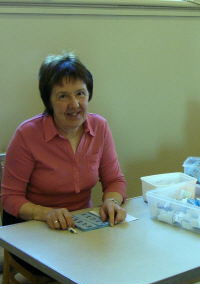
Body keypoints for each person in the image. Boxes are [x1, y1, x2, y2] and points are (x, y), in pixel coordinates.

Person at [1, 52, 127, 230]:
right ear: (49, 101)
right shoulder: (27, 134)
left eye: (80, 93)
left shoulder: (100, 127)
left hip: (80, 223)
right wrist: (45, 213)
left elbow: (114, 180)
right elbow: (9, 197)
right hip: (32, 227)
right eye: (63, 96)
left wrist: (112, 201)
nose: (74, 104)